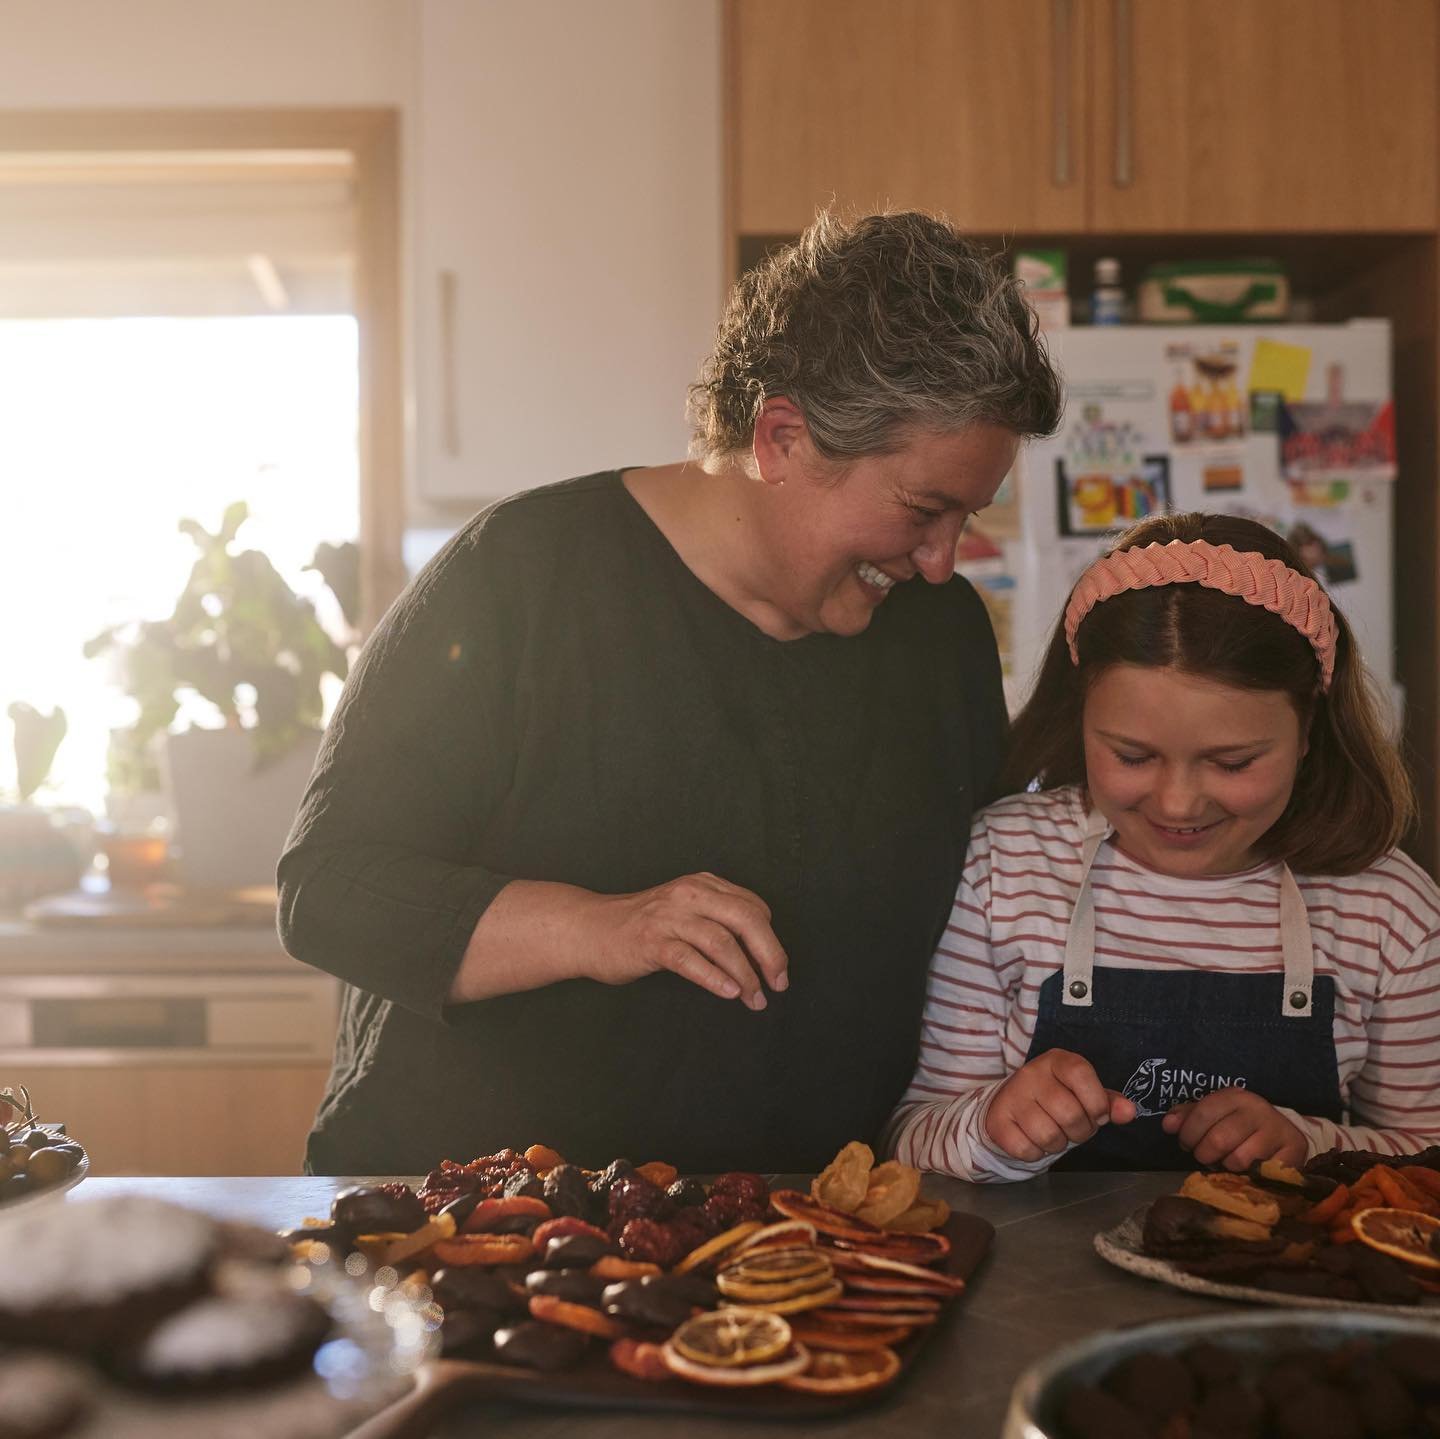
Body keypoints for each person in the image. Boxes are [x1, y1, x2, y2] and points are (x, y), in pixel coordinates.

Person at [277, 210, 1063, 1175]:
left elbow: (984, 921)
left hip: (805, 1243)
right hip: (484, 1229)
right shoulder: (521, 580)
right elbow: (329, 889)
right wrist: (599, 925)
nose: (944, 562)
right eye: (923, 510)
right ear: (783, 437)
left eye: (968, 518)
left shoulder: (935, 637)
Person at [888, 511, 1440, 1179]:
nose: (1177, 803)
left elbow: (1427, 1155)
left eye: (1232, 763)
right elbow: (911, 1134)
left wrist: (1312, 1145)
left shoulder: (1389, 911)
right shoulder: (1002, 867)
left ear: (1308, 730)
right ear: (1080, 714)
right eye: (1132, 754)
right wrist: (991, 1127)